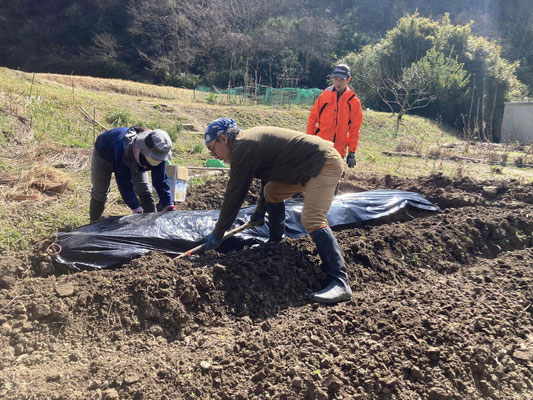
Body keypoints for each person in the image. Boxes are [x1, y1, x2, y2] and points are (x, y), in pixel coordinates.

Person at [202, 118, 352, 304]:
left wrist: (218, 232)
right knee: (272, 191)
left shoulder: (244, 146)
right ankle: (275, 243)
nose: (215, 155)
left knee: (312, 219)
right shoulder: (248, 143)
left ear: (224, 139)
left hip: (323, 163)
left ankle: (340, 281)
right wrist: (259, 212)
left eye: (212, 148)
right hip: (303, 168)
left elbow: (236, 192)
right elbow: (270, 174)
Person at [89, 126, 176, 222]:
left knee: (144, 189)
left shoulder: (159, 152)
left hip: (136, 158)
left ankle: (150, 224)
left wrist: (169, 204)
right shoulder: (122, 149)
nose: (156, 160)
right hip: (104, 154)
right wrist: (135, 207)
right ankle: (93, 223)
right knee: (100, 192)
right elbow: (123, 181)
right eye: (154, 158)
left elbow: (160, 181)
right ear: (145, 151)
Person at [307, 63, 363, 168]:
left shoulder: (353, 102)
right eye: (336, 79)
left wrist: (352, 152)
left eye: (342, 79)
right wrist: (310, 141)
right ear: (332, 78)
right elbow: (312, 119)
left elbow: (355, 129)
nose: (338, 82)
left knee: (333, 179)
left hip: (338, 150)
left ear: (348, 79)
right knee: (314, 177)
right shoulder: (323, 96)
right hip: (320, 146)